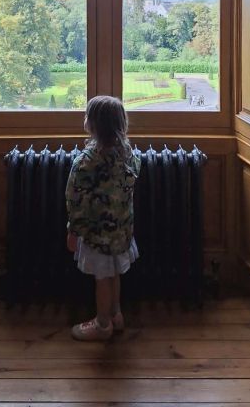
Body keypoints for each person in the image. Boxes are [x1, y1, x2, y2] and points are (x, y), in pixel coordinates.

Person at [65, 95, 140, 341]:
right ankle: (116, 315)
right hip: (122, 230)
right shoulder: (128, 154)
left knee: (102, 279)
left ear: (93, 125)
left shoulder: (86, 162)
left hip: (98, 234)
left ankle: (102, 324)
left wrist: (73, 231)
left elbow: (75, 201)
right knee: (115, 272)